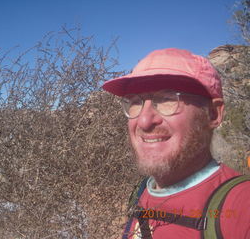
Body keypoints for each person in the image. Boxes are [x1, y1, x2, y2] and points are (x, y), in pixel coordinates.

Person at [102, 48, 250, 238]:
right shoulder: (141, 192)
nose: (144, 121)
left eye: (167, 99)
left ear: (213, 114)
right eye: (135, 102)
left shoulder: (242, 207)